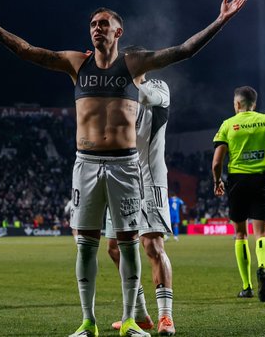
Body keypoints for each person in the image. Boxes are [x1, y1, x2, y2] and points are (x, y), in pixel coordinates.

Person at [0, 0, 248, 337]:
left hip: (127, 165)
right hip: (86, 163)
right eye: (93, 24)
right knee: (88, 244)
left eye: (104, 24)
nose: (97, 28)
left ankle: (135, 320)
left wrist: (220, 20)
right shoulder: (76, 63)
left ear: (118, 31)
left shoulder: (133, 64)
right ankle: (88, 321)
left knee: (130, 243)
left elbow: (183, 50)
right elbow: (28, 51)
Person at [105, 62, 176, 336]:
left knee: (152, 245)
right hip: (121, 179)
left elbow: (143, 96)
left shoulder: (158, 87)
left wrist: (112, 77)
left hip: (150, 178)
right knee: (114, 248)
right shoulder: (115, 94)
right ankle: (140, 314)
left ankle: (166, 317)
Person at [212, 86, 265, 302]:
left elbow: (217, 162)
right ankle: (262, 266)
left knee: (240, 235)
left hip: (237, 183)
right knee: (262, 234)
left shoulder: (228, 125)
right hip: (261, 181)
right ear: (254, 104)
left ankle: (247, 287)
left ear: (237, 104)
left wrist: (217, 181)